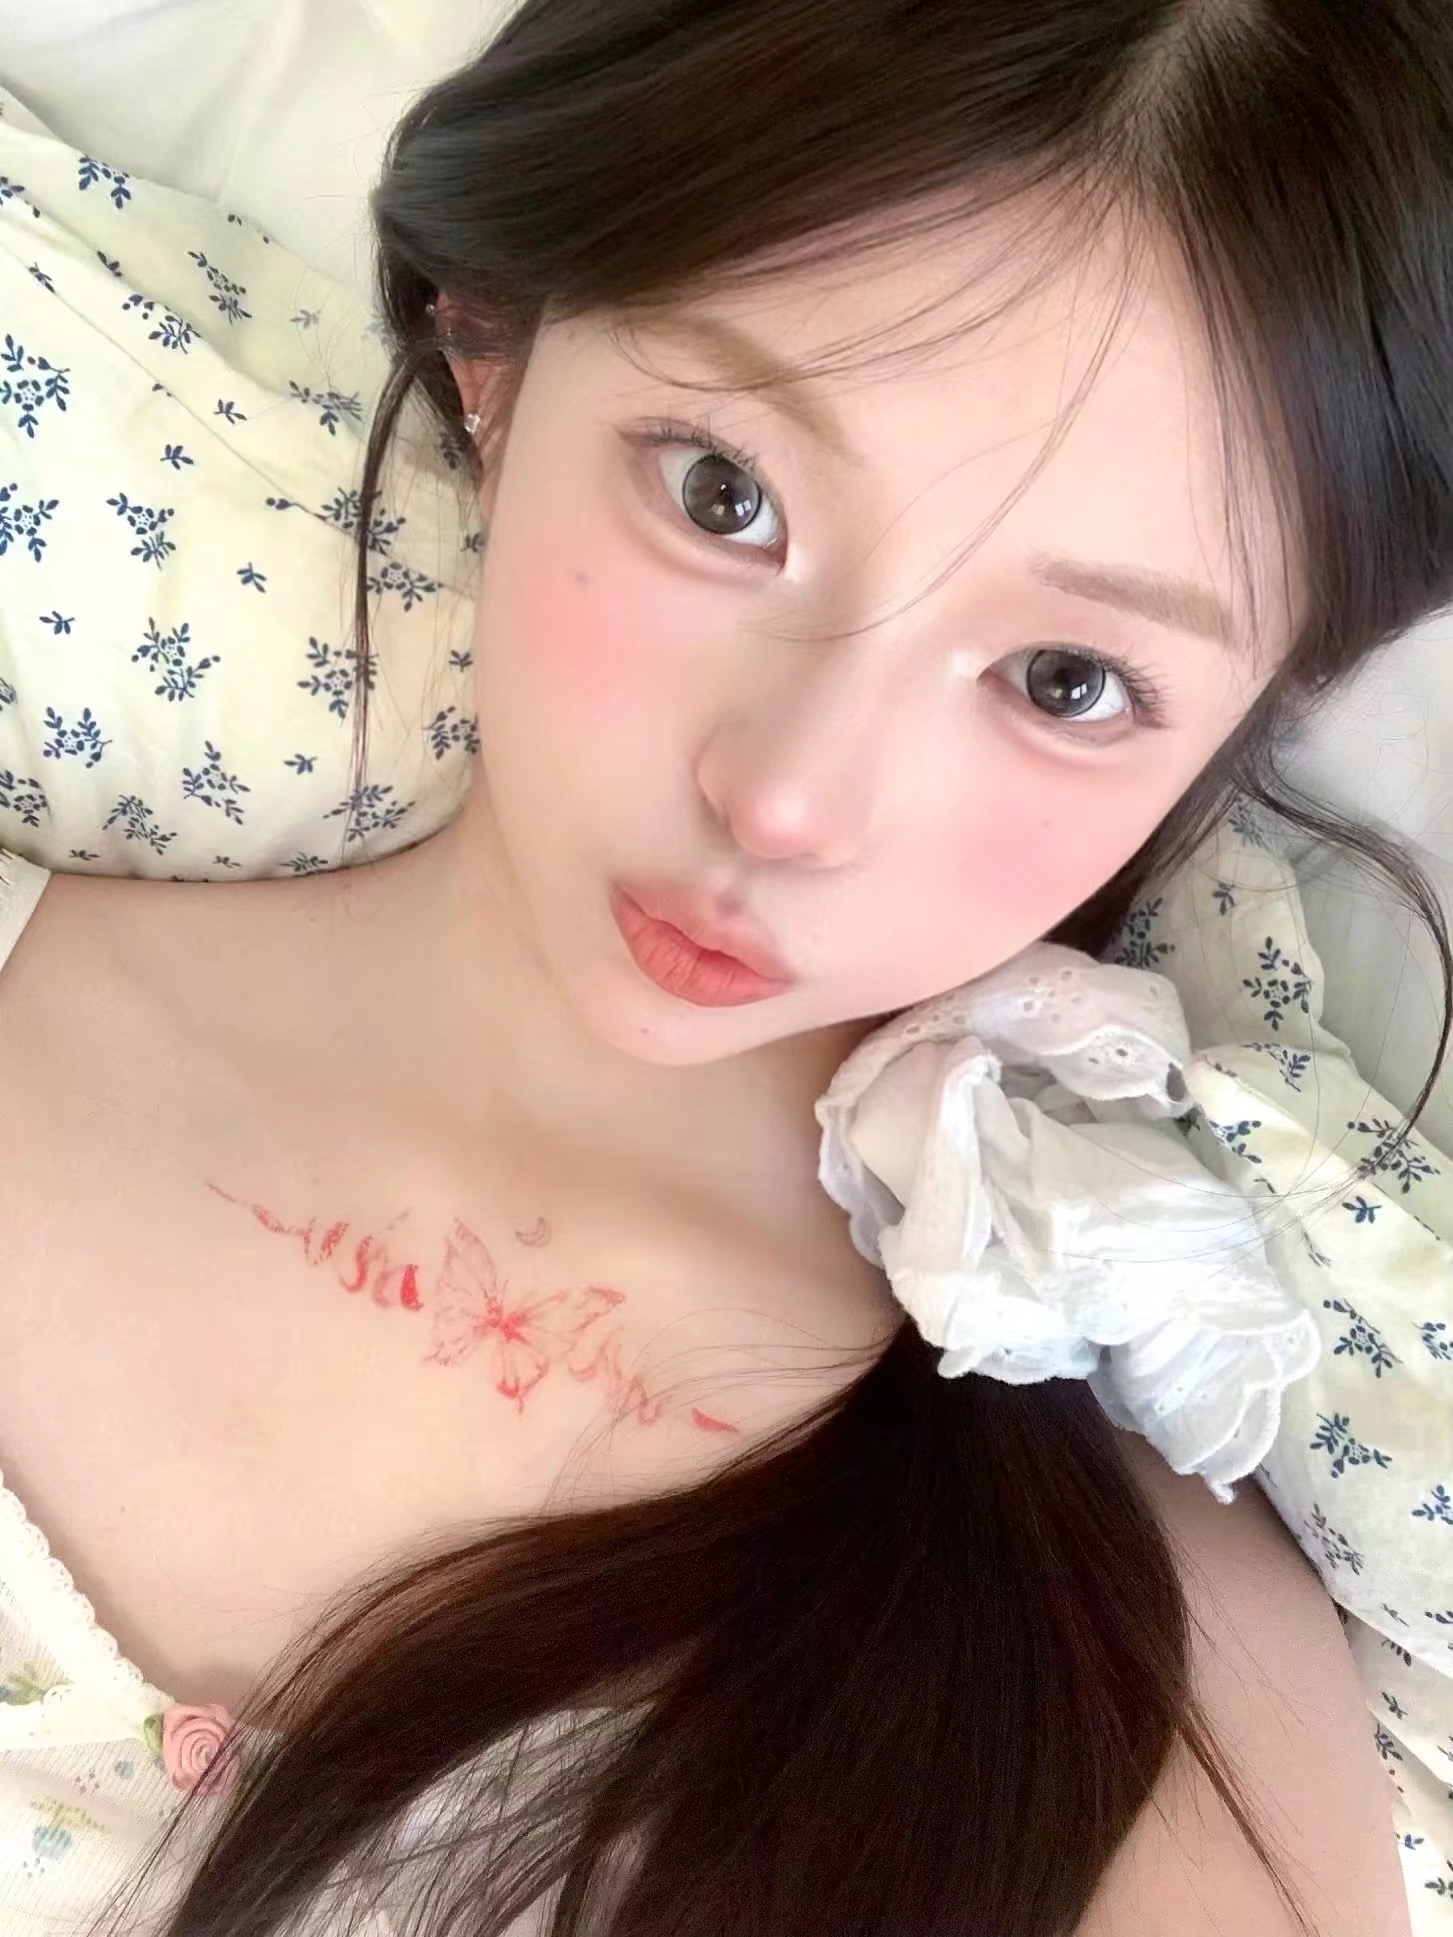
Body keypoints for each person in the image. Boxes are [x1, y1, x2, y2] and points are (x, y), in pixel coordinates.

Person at [0, 0, 1449, 1931]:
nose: (788, 799)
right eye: (721, 495)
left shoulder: (1128, 1702)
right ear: (493, 349)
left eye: (1064, 680)